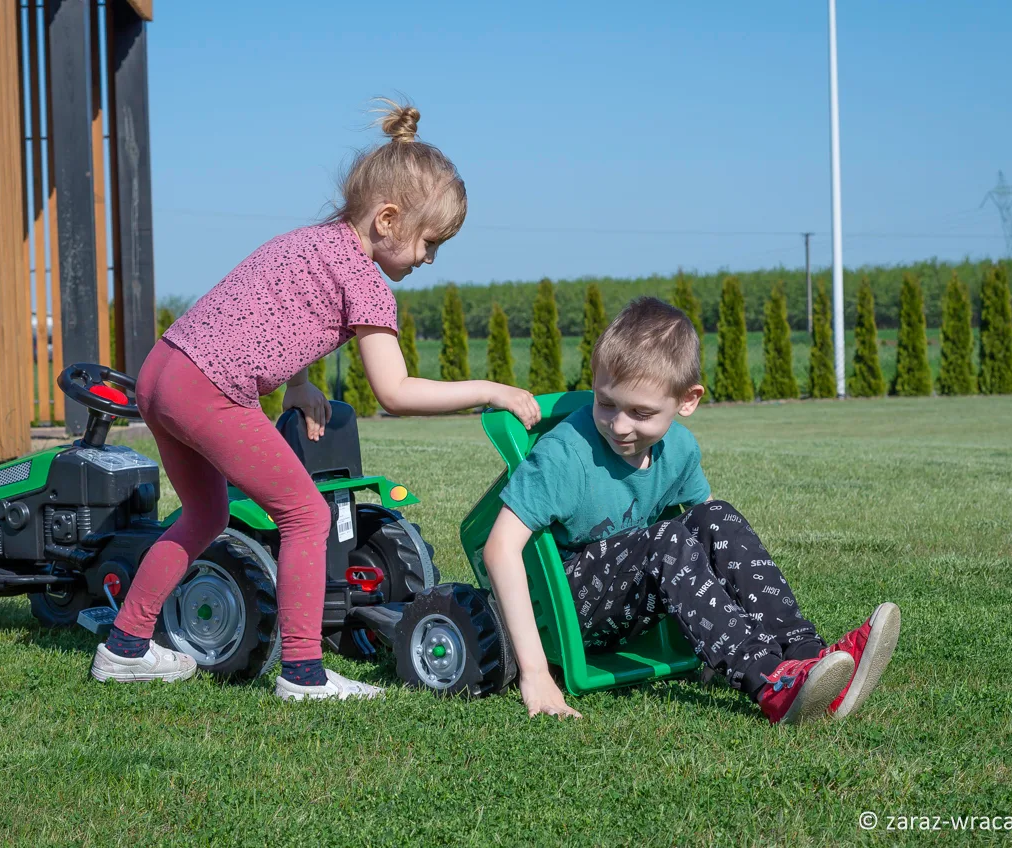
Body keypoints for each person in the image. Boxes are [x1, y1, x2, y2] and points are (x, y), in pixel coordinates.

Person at [90, 99, 541, 699]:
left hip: (161, 371)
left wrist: (299, 385)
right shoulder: (367, 284)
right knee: (307, 515)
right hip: (209, 389)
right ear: (387, 220)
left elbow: (279, 310)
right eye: (430, 243)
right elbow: (396, 391)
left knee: (206, 514)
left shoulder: (310, 242)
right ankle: (302, 673)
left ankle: (125, 646)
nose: (429, 259)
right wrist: (492, 389)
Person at [483, 297, 901, 724]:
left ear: (687, 401)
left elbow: (715, 540)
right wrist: (534, 673)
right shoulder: (563, 456)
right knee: (666, 539)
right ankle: (770, 681)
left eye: (641, 412)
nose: (620, 425)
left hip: (631, 600)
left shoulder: (679, 449)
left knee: (716, 516)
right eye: (605, 403)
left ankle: (808, 657)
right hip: (564, 606)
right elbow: (498, 549)